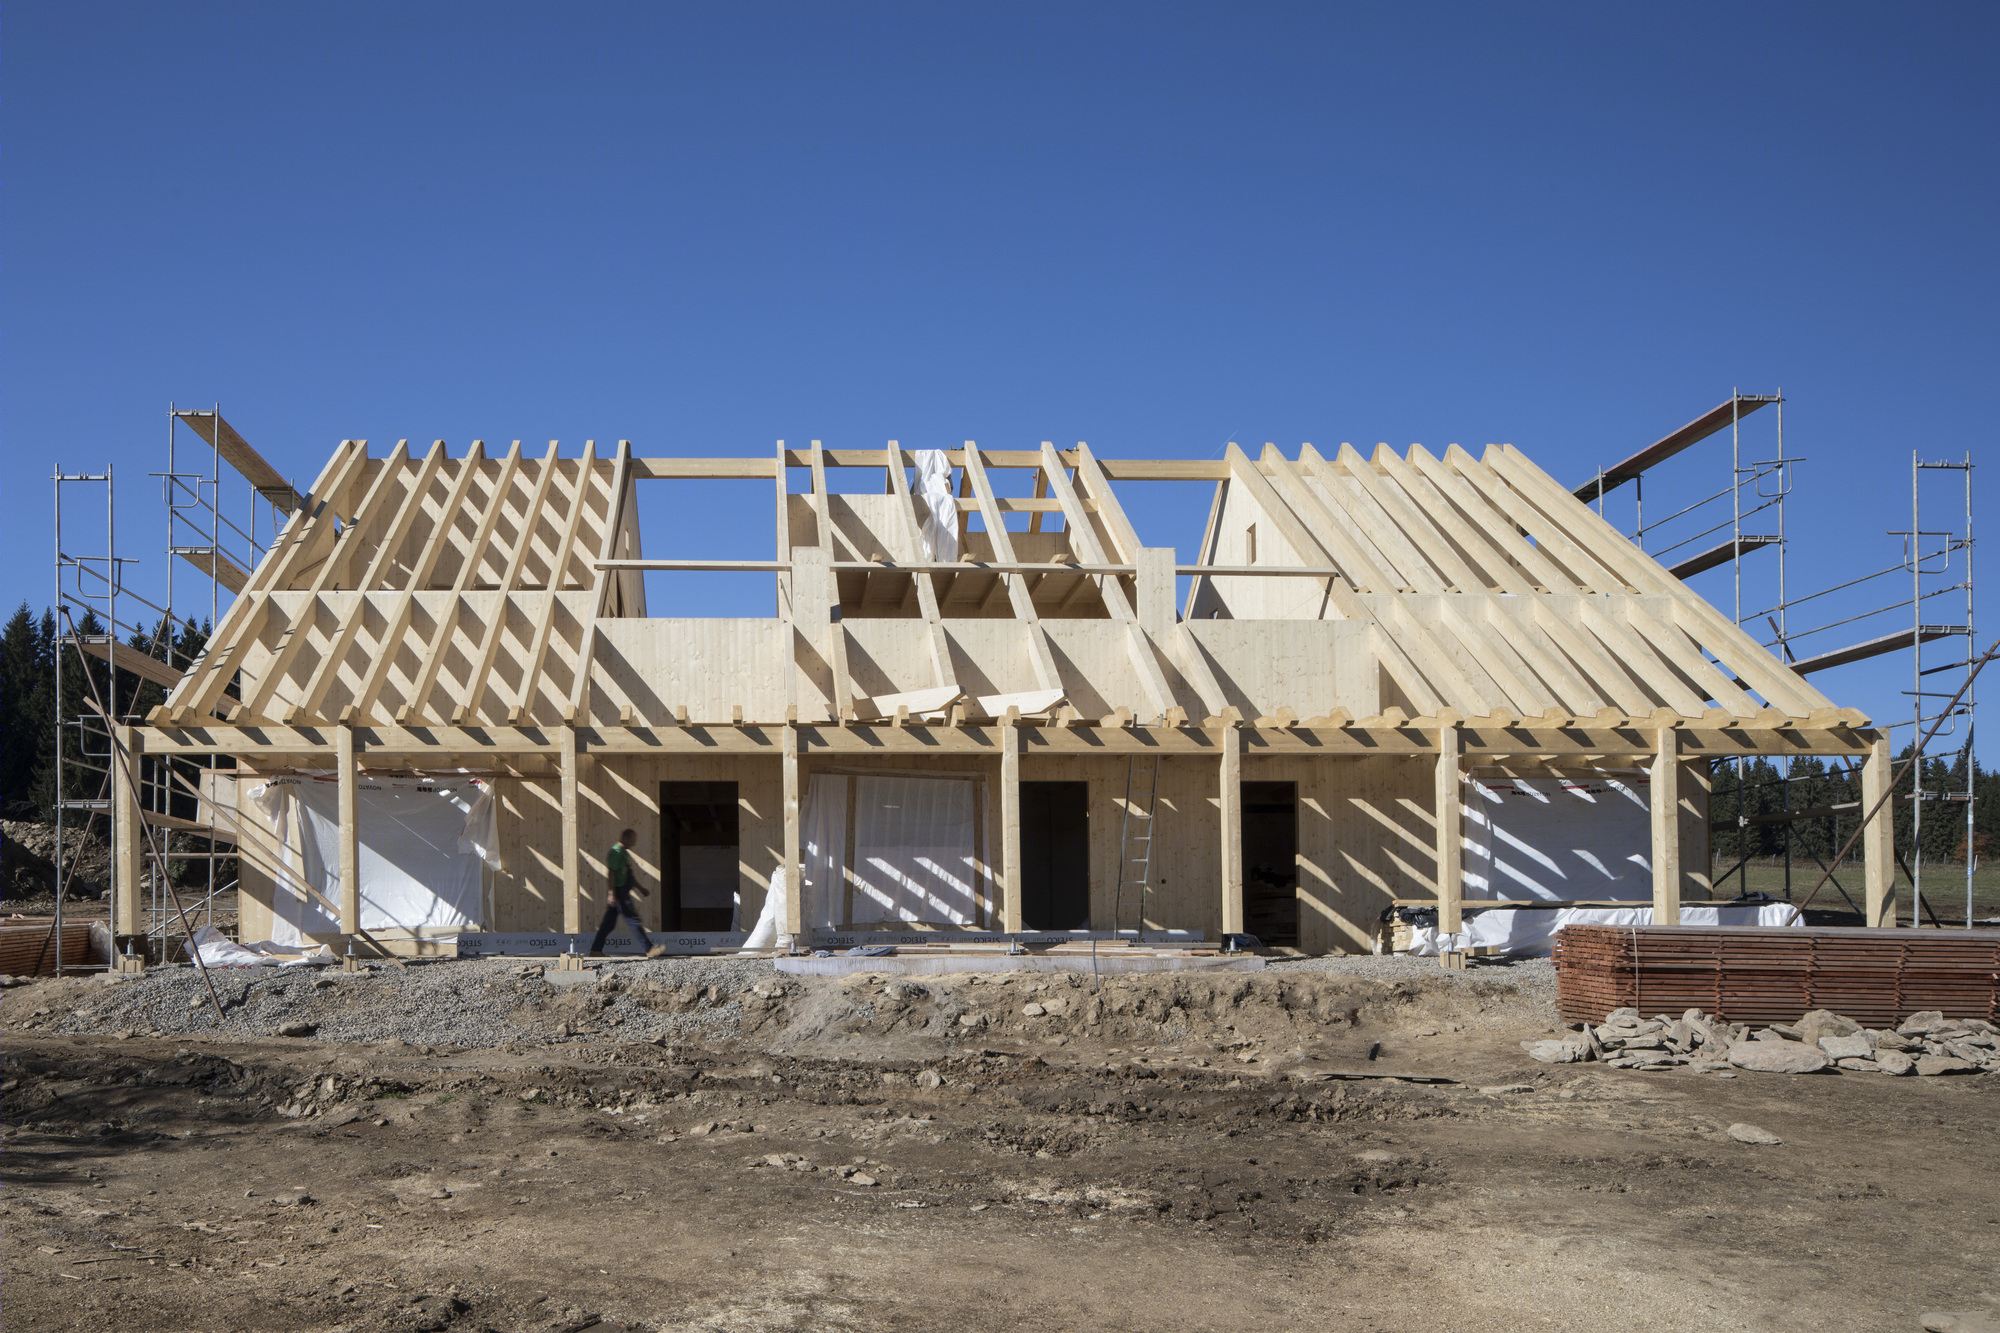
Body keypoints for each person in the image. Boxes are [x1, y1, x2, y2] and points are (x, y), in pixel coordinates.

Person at [589, 828, 668, 958]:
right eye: (632, 840)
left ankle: (595, 950)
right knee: (633, 920)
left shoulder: (624, 854)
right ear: (624, 838)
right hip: (619, 893)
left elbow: (627, 875)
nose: (633, 843)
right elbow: (611, 873)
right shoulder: (616, 853)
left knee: (608, 924)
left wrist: (640, 888)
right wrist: (612, 894)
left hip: (621, 891)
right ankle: (649, 949)